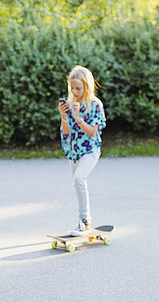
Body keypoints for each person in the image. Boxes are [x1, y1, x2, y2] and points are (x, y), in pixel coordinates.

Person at [58, 65, 106, 236]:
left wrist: (77, 117)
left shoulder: (95, 105)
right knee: (78, 185)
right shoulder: (70, 104)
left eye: (78, 88)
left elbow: (92, 132)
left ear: (87, 86)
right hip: (74, 152)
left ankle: (84, 221)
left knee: (79, 178)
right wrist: (64, 116)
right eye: (72, 88)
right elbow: (65, 131)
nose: (75, 91)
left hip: (90, 150)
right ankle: (84, 219)